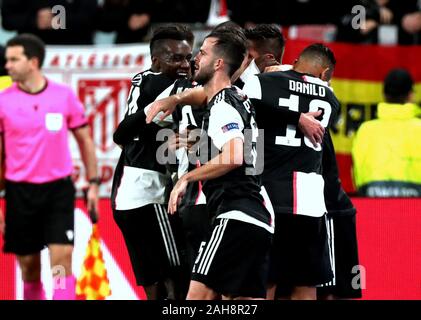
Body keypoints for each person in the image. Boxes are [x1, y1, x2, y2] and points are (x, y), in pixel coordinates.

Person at [167, 28, 273, 300]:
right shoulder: (241, 101)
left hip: (234, 215)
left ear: (218, 63)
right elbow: (253, 158)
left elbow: (234, 156)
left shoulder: (223, 104)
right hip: (258, 220)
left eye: (202, 52)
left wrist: (186, 179)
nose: (196, 58)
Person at [0, 34, 99, 300]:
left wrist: (94, 182)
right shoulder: (3, 100)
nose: (6, 65)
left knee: (60, 262)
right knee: (29, 268)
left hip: (58, 191)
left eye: (13, 59)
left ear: (32, 62)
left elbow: (85, 139)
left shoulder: (63, 96)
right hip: (20, 192)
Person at [242, 43, 339, 300]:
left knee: (266, 281)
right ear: (326, 72)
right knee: (305, 284)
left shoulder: (262, 82)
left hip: (267, 194)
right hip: (310, 201)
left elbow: (243, 108)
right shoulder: (330, 98)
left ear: (295, 60)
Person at [111, 24, 194, 300]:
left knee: (153, 277)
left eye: (188, 57)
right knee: (177, 271)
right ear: (156, 60)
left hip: (128, 192)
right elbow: (122, 134)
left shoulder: (143, 80)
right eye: (176, 58)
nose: (184, 64)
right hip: (150, 189)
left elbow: (123, 136)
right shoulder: (166, 85)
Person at [352, 68, 421, 197]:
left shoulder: (365, 130)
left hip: (373, 207)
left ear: (384, 94)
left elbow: (356, 174)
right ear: (411, 95)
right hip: (416, 210)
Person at [1, 0, 98, 45]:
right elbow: (7, 21)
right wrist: (34, 20)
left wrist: (61, 19)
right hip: (32, 51)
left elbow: (96, 18)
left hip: (76, 52)